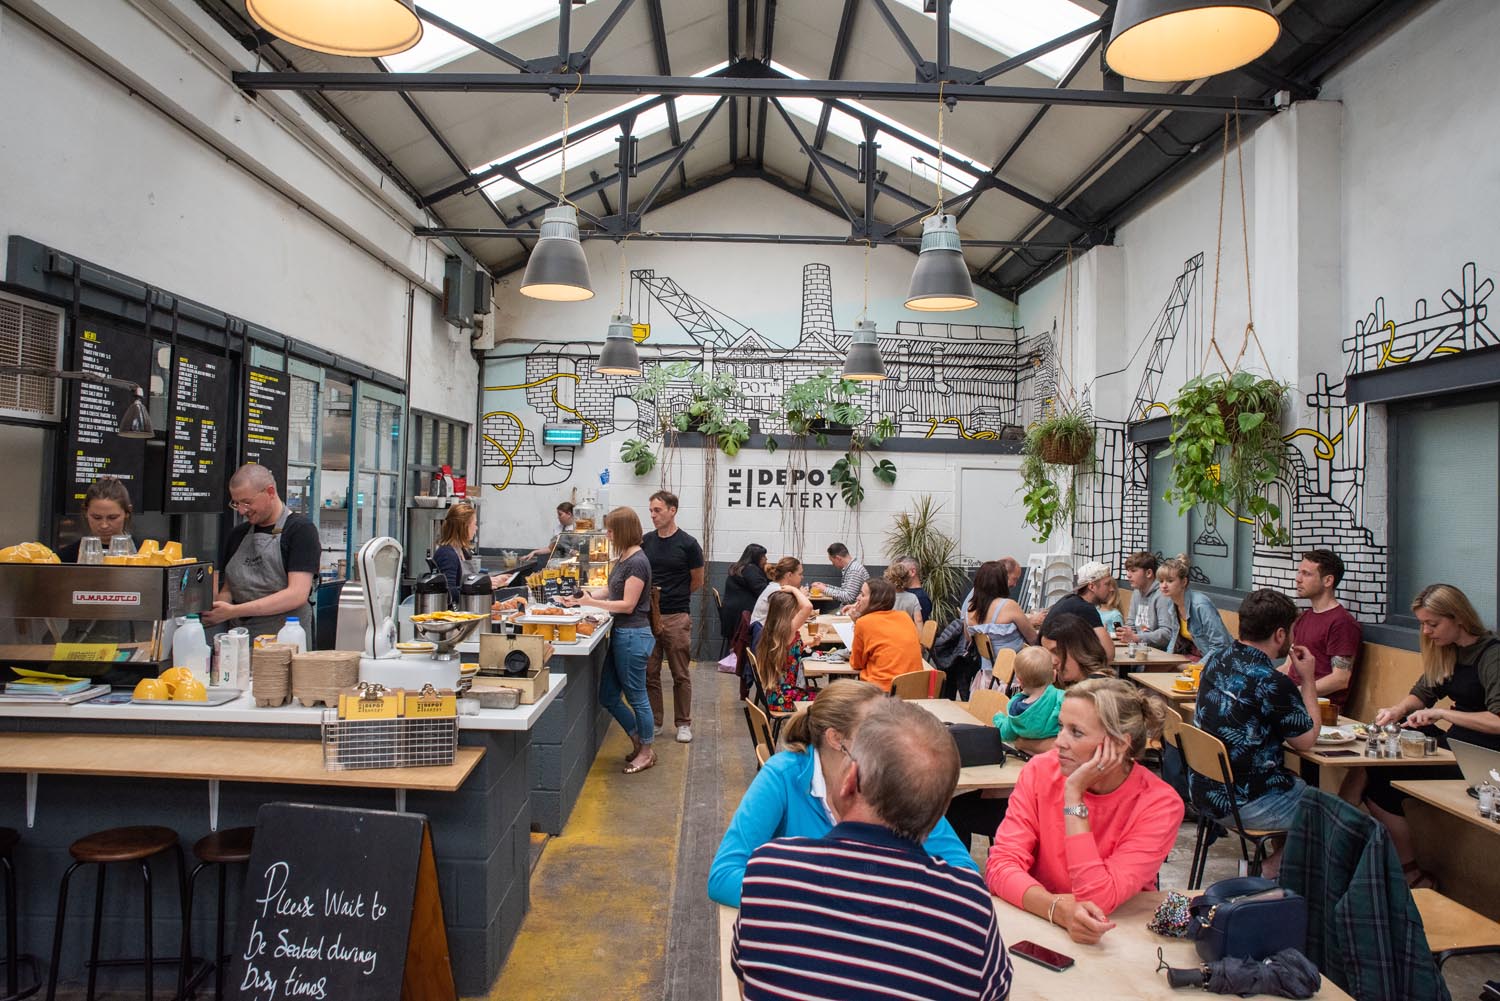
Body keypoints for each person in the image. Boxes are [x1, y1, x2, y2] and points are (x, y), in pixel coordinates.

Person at [732, 699, 1012, 1001]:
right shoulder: (970, 911)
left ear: (849, 780)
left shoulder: (767, 874)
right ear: (942, 809)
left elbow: (747, 986)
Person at [709, 679, 979, 907]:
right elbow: (724, 876)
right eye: (874, 730)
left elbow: (965, 873)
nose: (889, 738)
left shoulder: (892, 778)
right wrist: (832, 903)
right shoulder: (785, 776)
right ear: (836, 739)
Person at [986, 678, 1183, 944]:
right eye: (1061, 727)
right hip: (1040, 924)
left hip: (1118, 937)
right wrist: (1055, 909)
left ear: (1119, 744)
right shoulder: (1040, 771)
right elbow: (1000, 867)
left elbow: (1097, 899)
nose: (1059, 742)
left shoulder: (1160, 804)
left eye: (1076, 732)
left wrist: (1074, 797)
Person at [1357, 584, 1500, 887]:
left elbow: (1497, 721)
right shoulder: (1446, 652)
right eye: (1422, 623)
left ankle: (1403, 868)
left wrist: (1444, 714)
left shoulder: (1491, 655)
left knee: (1379, 775)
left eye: (1432, 624)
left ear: (1458, 618)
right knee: (1377, 766)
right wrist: (1396, 711)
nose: (1426, 631)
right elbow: (1424, 692)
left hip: (1483, 756)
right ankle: (1401, 865)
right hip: (1456, 746)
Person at [1192, 589, 1319, 860]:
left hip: (1204, 791)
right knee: (1334, 814)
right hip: (1244, 802)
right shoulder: (1271, 682)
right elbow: (1306, 741)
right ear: (1280, 635)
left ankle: (1276, 876)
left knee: (1295, 785)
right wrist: (1308, 680)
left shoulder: (1217, 659)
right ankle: (1269, 872)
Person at [560, 507, 656, 774]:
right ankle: (638, 738)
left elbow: (627, 604)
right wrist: (584, 596)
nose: (608, 534)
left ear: (623, 530)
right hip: (623, 635)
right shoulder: (624, 558)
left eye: (611, 530)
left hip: (633, 636)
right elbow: (611, 590)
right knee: (608, 695)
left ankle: (646, 751)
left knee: (637, 697)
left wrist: (591, 603)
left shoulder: (637, 561)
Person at [203, 463, 319, 637]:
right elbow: (229, 588)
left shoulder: (300, 530)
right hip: (240, 640)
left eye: (247, 502)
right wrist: (218, 609)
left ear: (270, 492)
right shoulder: (238, 535)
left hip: (285, 641)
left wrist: (234, 611)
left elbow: (297, 594)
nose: (242, 510)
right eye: (236, 503)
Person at [642, 490, 704, 744]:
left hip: (677, 616)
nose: (653, 515)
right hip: (648, 615)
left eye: (657, 510)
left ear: (672, 510)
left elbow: (697, 581)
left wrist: (675, 598)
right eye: (651, 511)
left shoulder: (688, 544)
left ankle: (683, 723)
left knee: (680, 673)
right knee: (650, 672)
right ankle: (656, 721)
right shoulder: (646, 541)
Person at [1281, 549, 1362, 710]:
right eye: (1299, 572)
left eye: (1306, 574)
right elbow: (1287, 666)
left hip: (1319, 709)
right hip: (1292, 701)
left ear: (1328, 581)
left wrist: (1293, 694)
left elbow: (1340, 678)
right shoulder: (1304, 617)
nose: (1298, 579)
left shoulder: (1342, 623)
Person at [967, 560, 1038, 692]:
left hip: (987, 677)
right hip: (1014, 679)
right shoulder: (1008, 606)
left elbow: (969, 640)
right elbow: (1033, 639)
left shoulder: (971, 610)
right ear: (1001, 582)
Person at [849, 578, 922, 691]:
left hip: (882, 690)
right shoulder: (904, 616)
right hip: (914, 689)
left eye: (862, 595)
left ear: (875, 600)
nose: (858, 598)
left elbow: (856, 664)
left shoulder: (863, 622)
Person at [751, 590, 818, 712]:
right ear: (788, 611)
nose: (798, 611)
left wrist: (810, 644)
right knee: (829, 699)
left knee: (826, 695)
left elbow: (789, 652)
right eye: (796, 608)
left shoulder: (772, 630)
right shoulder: (788, 629)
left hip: (776, 695)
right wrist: (794, 590)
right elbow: (808, 607)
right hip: (786, 697)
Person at [1157, 555, 1233, 662]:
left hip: (1216, 661)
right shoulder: (1172, 603)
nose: (1163, 585)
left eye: (1169, 581)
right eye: (1161, 581)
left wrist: (1196, 669)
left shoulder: (1201, 605)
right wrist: (1166, 660)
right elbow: (1174, 638)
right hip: (1192, 655)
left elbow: (1220, 645)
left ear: (1184, 582)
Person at [1041, 561, 1116, 661]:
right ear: (1092, 586)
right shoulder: (1085, 608)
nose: (1112, 589)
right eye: (1107, 584)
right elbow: (1109, 654)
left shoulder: (1069, 600)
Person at [995, 646, 1065, 744]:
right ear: (1054, 676)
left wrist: (999, 719)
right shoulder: (1062, 698)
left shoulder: (1016, 710)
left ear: (1020, 682)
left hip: (1025, 757)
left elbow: (1006, 734)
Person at [58, 476, 133, 563]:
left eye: (112, 518)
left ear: (127, 513)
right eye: (97, 518)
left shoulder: (146, 554)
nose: (104, 525)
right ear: (86, 512)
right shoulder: (64, 558)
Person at [1118, 551, 1176, 650]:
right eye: (1127, 571)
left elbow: (1167, 633)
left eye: (1133, 571)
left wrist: (1137, 638)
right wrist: (1124, 632)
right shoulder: (1137, 592)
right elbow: (1131, 623)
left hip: (1159, 652)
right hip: (1139, 648)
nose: (1128, 575)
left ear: (1149, 573)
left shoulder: (1162, 594)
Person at [432, 502, 487, 602]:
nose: (476, 528)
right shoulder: (447, 554)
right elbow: (449, 592)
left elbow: (470, 581)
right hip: (453, 614)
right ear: (464, 526)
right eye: (474, 524)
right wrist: (477, 589)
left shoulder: (462, 551)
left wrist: (487, 582)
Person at [720, 543, 769, 639]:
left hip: (732, 615)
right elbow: (763, 592)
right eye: (763, 556)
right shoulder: (750, 569)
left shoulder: (740, 567)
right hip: (741, 619)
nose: (766, 559)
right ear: (756, 558)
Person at [751, 557, 802, 627]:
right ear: (789, 575)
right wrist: (801, 595)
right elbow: (794, 616)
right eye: (800, 574)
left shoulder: (774, 586)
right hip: (763, 634)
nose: (802, 577)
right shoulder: (778, 591)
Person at [883, 561, 924, 628]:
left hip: (888, 631)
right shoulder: (913, 598)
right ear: (907, 579)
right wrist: (920, 637)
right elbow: (918, 620)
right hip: (907, 633)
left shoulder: (885, 597)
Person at [898, 555, 933, 620]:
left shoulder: (920, 597)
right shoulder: (899, 592)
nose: (898, 574)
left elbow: (919, 623)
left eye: (901, 570)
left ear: (913, 571)